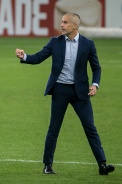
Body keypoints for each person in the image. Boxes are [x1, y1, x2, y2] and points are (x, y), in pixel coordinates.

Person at [15, 13, 115, 175]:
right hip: (60, 90)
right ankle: (47, 165)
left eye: (65, 22)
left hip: (80, 92)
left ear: (75, 26)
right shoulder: (55, 42)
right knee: (54, 129)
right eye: (61, 22)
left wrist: (95, 85)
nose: (61, 25)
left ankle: (102, 164)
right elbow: (39, 58)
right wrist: (24, 56)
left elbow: (96, 68)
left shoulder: (88, 44)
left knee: (90, 127)